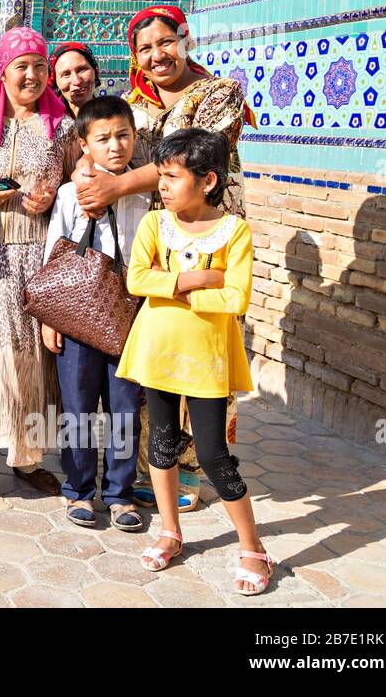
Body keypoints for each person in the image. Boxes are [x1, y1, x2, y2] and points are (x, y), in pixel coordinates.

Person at [73, 4, 255, 513]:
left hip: (208, 232)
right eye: (144, 48)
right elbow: (104, 145)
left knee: (206, 345)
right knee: (159, 351)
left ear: (185, 38)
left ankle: (201, 464)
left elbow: (198, 158)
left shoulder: (220, 93)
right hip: (153, 241)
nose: (157, 55)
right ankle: (161, 465)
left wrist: (117, 186)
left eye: (164, 42)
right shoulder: (134, 102)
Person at [118, 128, 272, 595]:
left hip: (206, 359)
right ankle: (170, 532)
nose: (161, 185)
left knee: (213, 456)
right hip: (156, 352)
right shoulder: (153, 225)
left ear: (207, 181)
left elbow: (236, 295)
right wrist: (198, 277)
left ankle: (253, 548)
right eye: (160, 176)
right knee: (160, 447)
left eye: (171, 176)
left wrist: (178, 284)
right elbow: (137, 279)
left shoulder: (233, 230)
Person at [0, 26, 77, 498]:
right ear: (2, 72)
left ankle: (27, 459)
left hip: (41, 253)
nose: (31, 75)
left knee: (35, 355)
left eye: (39, 67)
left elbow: (78, 186)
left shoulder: (62, 127)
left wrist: (54, 197)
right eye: (20, 67)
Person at [41, 95, 150, 530]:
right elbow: (54, 253)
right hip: (77, 318)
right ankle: (79, 491)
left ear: (135, 136)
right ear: (84, 144)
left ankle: (120, 494)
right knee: (79, 408)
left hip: (130, 319)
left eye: (123, 135)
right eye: (102, 138)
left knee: (124, 406)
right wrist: (50, 319)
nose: (115, 146)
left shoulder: (144, 195)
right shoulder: (70, 194)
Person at [50, 41, 100, 117]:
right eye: (66, 74)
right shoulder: (45, 123)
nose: (77, 81)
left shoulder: (112, 117)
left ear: (95, 71)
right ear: (55, 81)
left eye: (82, 70)